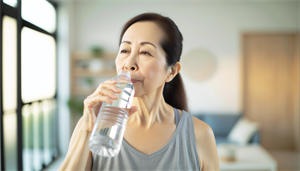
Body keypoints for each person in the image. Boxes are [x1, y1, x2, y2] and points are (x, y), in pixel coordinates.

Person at [59, 12, 219, 171]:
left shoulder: (200, 134)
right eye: (124, 50)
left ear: (171, 71)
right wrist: (86, 130)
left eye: (145, 52)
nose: (128, 64)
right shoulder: (93, 124)